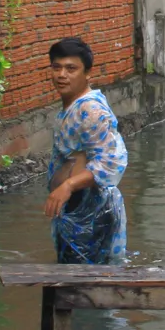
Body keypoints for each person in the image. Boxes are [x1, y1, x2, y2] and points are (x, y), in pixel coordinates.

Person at [43, 37, 129, 264]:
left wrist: (68, 185)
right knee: (75, 283)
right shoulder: (74, 105)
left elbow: (111, 162)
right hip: (76, 210)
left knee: (85, 286)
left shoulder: (90, 109)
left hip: (92, 213)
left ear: (88, 73)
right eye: (56, 67)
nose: (62, 75)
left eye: (71, 68)